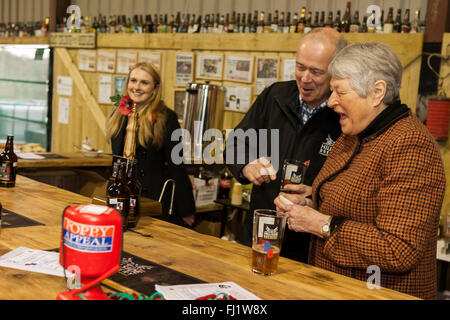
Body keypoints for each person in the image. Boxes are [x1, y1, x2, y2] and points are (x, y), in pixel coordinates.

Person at [274, 42, 445, 300]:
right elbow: (356, 203)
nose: (331, 102)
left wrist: (318, 223)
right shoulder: (354, 134)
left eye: (340, 92)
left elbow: (397, 249)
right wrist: (308, 202)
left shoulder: (411, 146)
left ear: (377, 92)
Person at [224, 28, 346, 262]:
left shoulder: (343, 114)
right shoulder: (275, 96)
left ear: (336, 72)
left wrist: (315, 196)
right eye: (300, 67)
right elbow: (235, 143)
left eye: (316, 71)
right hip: (260, 235)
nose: (305, 78)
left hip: (311, 247)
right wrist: (246, 165)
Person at [106, 62, 195, 227]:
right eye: (133, 81)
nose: (137, 87)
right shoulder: (118, 113)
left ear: (154, 88)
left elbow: (177, 165)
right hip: (120, 197)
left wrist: (186, 209)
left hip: (153, 200)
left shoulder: (167, 117)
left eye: (144, 82)